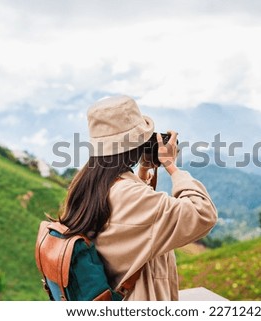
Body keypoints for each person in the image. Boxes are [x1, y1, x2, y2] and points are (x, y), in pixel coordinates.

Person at [58, 95, 217, 300]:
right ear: (135, 145)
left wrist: (143, 170)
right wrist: (171, 166)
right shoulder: (129, 195)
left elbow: (131, 222)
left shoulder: (86, 184)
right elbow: (202, 214)